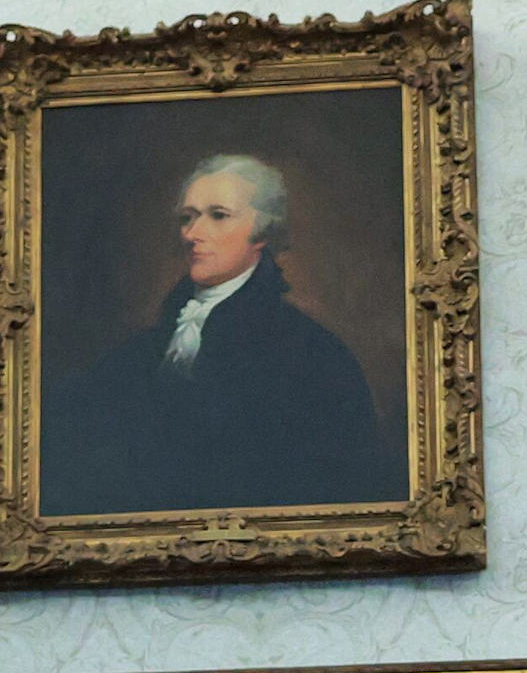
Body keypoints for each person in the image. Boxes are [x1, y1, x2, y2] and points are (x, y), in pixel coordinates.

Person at [41, 152, 404, 518]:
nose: (192, 234)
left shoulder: (312, 355)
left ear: (262, 232)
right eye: (188, 218)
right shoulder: (140, 352)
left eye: (218, 216)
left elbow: (333, 488)